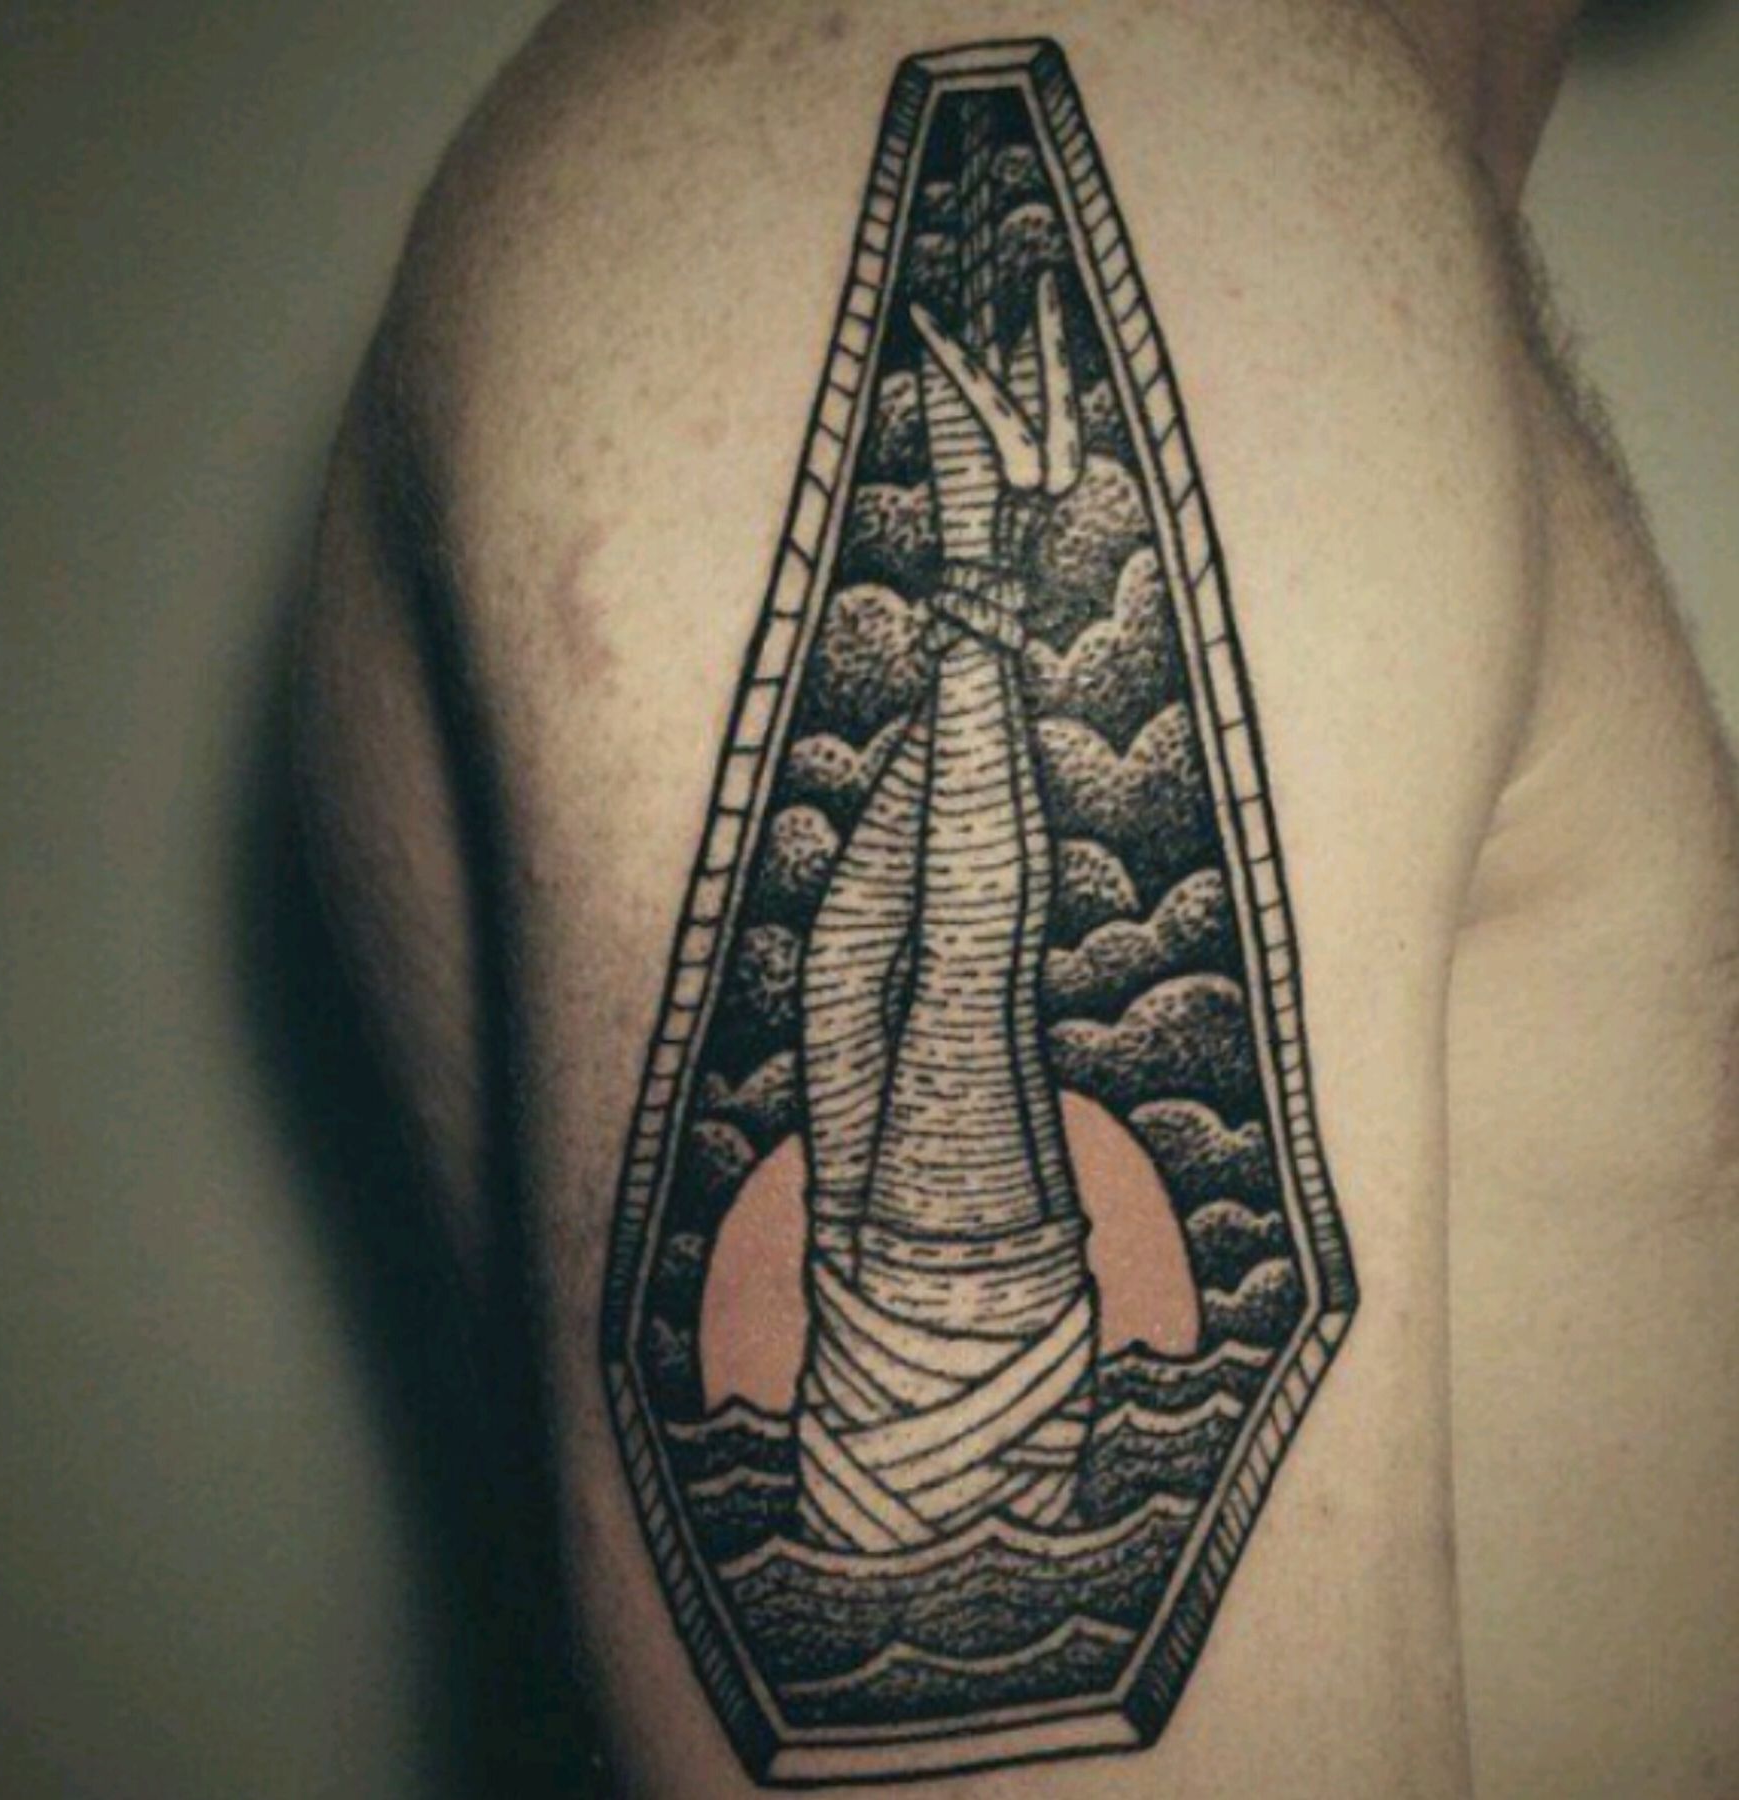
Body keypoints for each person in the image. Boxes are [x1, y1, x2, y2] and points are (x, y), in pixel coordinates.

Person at [297, 2, 1739, 1793]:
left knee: (900, 978)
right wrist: (980, 572)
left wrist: (978, 580)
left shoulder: (1247, 170)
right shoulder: (1154, 119)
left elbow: (869, 962)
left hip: (939, 1383)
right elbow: (957, 944)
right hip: (947, 1364)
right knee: (955, 983)